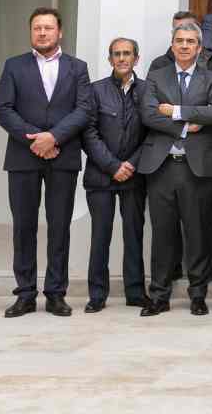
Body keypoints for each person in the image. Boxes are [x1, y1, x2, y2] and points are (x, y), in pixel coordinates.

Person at [0, 7, 92, 318]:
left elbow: (83, 110)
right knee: (24, 226)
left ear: (59, 32)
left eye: (48, 28)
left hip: (63, 156)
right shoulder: (14, 66)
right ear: (31, 32)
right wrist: (36, 139)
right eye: (37, 28)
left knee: (59, 226)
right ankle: (24, 293)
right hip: (23, 157)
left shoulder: (77, 68)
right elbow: (4, 110)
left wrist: (54, 138)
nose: (42, 33)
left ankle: (55, 293)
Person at [137, 22, 212, 317]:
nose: (185, 45)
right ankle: (159, 295)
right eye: (180, 41)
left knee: (197, 233)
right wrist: (189, 125)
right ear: (172, 45)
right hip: (161, 166)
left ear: (199, 48)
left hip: (197, 168)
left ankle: (198, 293)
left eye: (191, 41)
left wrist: (174, 111)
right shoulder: (156, 76)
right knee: (163, 233)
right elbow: (149, 114)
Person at [81, 37, 148, 313]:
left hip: (134, 176)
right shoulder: (94, 91)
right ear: (110, 60)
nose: (122, 58)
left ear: (136, 58)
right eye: (117, 54)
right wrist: (112, 166)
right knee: (100, 236)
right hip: (101, 176)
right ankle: (97, 294)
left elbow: (151, 133)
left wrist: (130, 164)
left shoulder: (147, 91)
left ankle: (134, 292)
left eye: (127, 54)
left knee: (134, 235)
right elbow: (88, 132)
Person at [150, 11, 212, 77]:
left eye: (189, 28)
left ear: (199, 32)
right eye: (178, 29)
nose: (183, 33)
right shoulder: (159, 64)